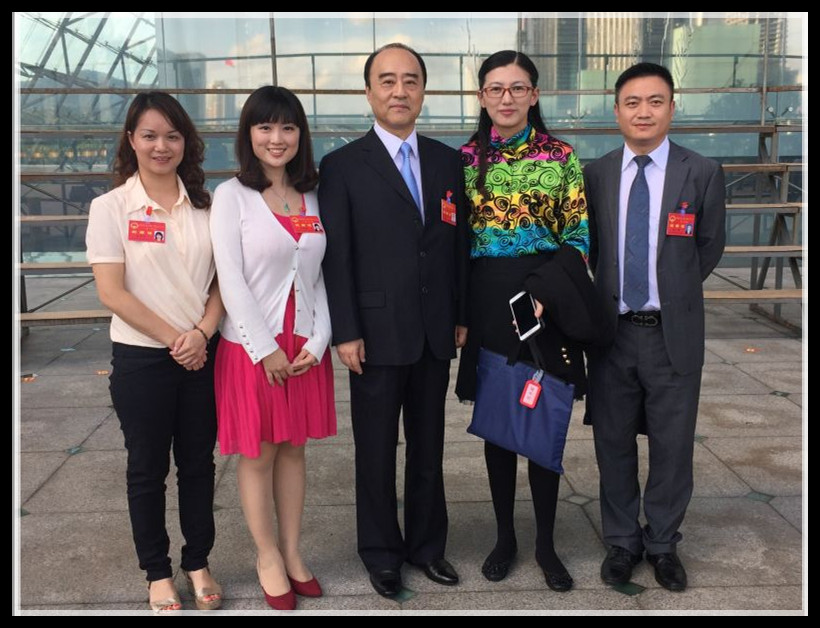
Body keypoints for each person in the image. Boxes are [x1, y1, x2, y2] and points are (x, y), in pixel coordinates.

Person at [455, 50, 610, 593]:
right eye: (496, 89)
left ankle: (546, 543)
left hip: (547, 299)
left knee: (543, 421)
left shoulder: (561, 156)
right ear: (482, 97)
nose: (507, 98)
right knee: (499, 426)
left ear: (534, 94)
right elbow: (456, 243)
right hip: (487, 301)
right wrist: (460, 313)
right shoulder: (464, 160)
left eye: (517, 88)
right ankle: (505, 538)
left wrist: (543, 295)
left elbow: (578, 236)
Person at [319, 43, 469, 598]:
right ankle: (381, 553)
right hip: (374, 335)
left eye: (410, 81)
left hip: (434, 330)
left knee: (428, 449)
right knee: (376, 451)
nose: (399, 91)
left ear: (424, 91)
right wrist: (346, 330)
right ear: (368, 92)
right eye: (387, 81)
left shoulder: (448, 162)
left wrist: (459, 314)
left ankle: (428, 547)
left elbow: (457, 245)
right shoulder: (342, 167)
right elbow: (337, 256)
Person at [584, 62, 726, 592]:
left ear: (671, 106)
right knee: (613, 442)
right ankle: (623, 540)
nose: (643, 112)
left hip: (673, 333)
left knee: (673, 445)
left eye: (655, 101)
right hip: (613, 333)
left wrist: (673, 290)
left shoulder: (701, 171)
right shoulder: (596, 174)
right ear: (616, 110)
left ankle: (663, 543)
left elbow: (708, 246)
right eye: (632, 102)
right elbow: (592, 248)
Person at [85, 91, 223, 612]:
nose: (161, 146)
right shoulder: (111, 208)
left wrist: (203, 333)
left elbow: (223, 281)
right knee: (146, 469)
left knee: (199, 465)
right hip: (143, 358)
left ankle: (198, 561)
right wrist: (177, 339)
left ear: (186, 142)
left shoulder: (207, 207)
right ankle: (157, 572)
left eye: (171, 135)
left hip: (202, 355)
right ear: (131, 140)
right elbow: (112, 292)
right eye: (149, 135)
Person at [210, 85, 336, 611]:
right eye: (265, 127)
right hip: (252, 347)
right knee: (259, 452)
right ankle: (266, 556)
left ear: (301, 134)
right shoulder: (230, 196)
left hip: (304, 345)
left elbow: (319, 274)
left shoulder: (313, 195)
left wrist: (320, 340)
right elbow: (230, 278)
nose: (276, 138)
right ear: (249, 135)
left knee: (294, 448)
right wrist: (265, 349)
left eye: (287, 127)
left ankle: (291, 550)